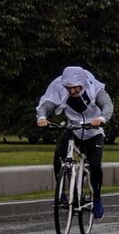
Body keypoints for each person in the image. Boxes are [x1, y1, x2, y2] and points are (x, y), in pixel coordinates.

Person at [36, 65, 112, 219]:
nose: (71, 91)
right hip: (74, 128)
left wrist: (102, 118)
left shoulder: (94, 87)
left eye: (75, 87)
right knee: (58, 156)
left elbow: (107, 104)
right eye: (68, 87)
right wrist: (42, 117)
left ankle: (97, 198)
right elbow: (47, 104)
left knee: (95, 165)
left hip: (93, 130)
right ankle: (62, 193)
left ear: (82, 83)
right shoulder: (59, 87)